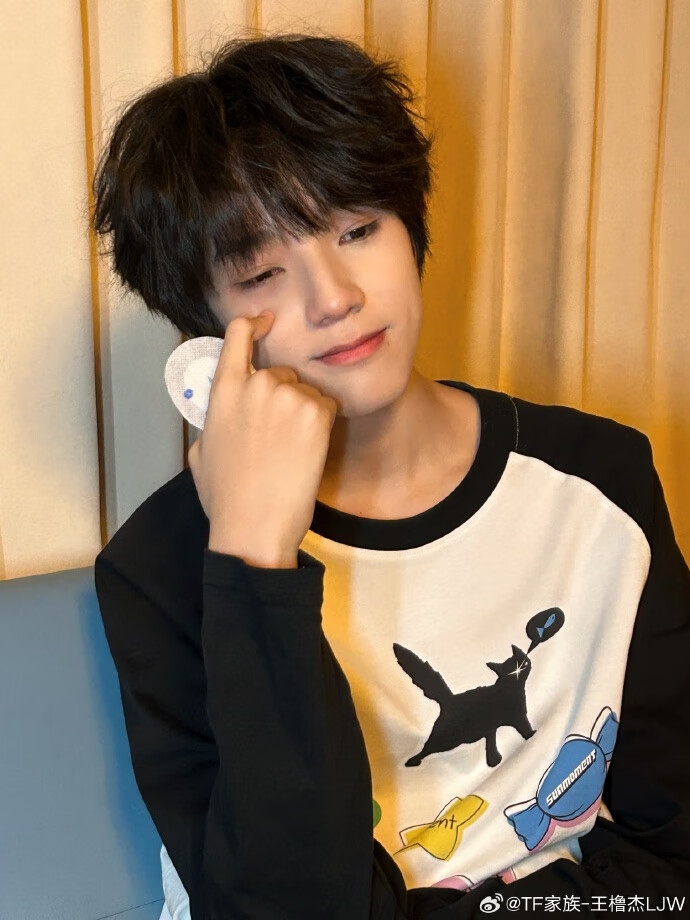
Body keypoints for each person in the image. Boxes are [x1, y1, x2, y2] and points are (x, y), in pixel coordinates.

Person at [91, 31, 690, 920]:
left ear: (412, 229)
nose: (335, 297)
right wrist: (253, 562)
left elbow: (672, 854)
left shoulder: (602, 479)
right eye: (261, 272)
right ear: (205, 330)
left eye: (358, 229)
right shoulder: (162, 567)